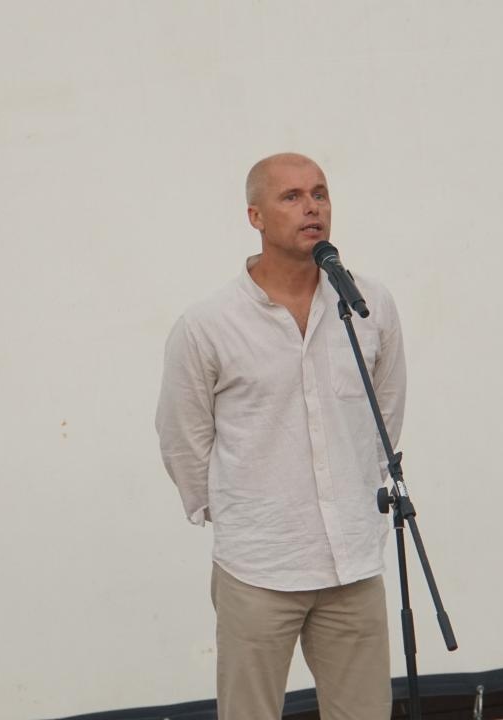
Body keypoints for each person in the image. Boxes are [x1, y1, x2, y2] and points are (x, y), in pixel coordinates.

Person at [155, 152, 407, 720]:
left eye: (319, 193)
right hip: (259, 567)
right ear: (255, 217)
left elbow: (384, 413)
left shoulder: (367, 305)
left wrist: (358, 488)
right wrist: (235, 512)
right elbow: (181, 435)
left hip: (352, 563)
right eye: (291, 196)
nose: (311, 206)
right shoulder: (208, 324)